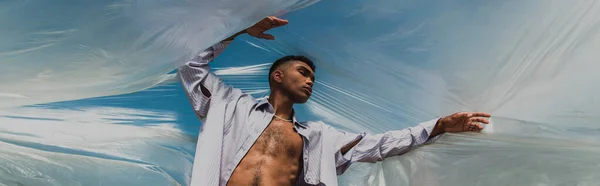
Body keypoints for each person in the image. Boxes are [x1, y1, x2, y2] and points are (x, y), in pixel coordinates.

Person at [178, 16, 491, 186]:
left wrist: (439, 125)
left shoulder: (320, 138)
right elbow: (190, 64)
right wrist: (240, 28)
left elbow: (379, 144)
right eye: (302, 72)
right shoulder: (229, 105)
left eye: (313, 77)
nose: (310, 80)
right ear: (277, 76)